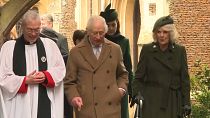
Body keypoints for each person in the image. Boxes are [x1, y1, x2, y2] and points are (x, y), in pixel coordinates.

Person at [0, 10, 66, 118]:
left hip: (43, 100)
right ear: (22, 27)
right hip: (19, 104)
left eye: (37, 29)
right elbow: (3, 77)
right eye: (30, 30)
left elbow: (60, 70)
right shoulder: (9, 48)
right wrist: (25, 80)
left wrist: (46, 76)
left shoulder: (50, 46)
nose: (34, 33)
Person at [64, 15, 128, 118]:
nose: (98, 37)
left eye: (101, 33)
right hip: (87, 109)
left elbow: (123, 74)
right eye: (94, 33)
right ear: (87, 31)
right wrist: (74, 96)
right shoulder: (76, 52)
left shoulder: (115, 49)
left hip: (111, 109)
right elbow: (69, 81)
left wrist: (121, 90)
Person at [130, 15, 191, 118]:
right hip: (151, 101)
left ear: (171, 34)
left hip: (172, 101)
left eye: (165, 32)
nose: (161, 35)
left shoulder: (179, 51)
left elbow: (184, 80)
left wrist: (186, 103)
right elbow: (138, 76)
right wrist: (137, 93)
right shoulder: (147, 50)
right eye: (158, 32)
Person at [100, 3, 134, 118]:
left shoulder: (124, 41)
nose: (110, 28)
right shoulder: (99, 42)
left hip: (119, 85)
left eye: (113, 25)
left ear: (117, 24)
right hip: (102, 86)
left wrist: (131, 89)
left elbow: (128, 67)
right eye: (108, 25)